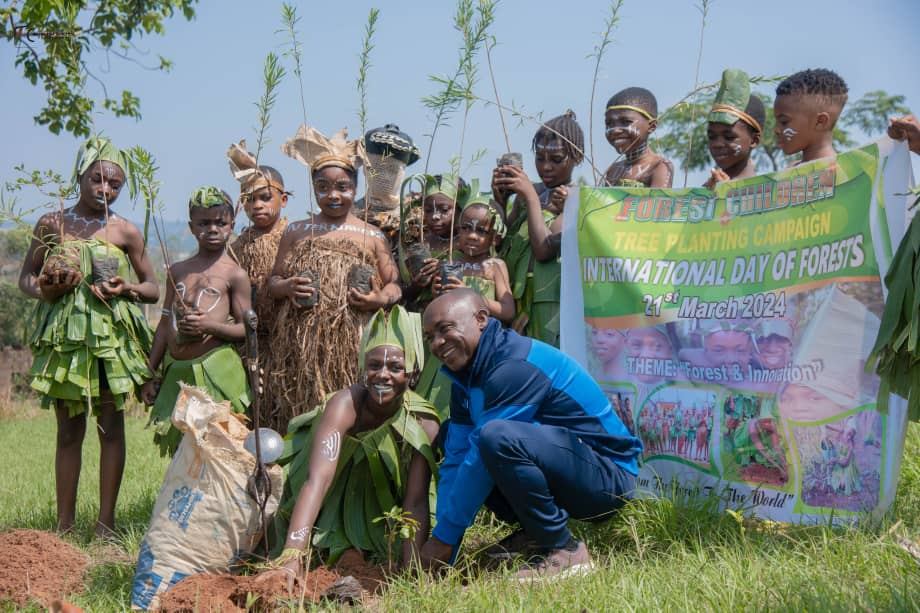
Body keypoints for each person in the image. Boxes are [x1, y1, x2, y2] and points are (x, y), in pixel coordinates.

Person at [417, 289, 642, 582]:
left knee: (495, 437)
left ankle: (566, 551)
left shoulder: (512, 366)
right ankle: (536, 536)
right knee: (454, 436)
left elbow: (480, 459)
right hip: (564, 468)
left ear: (481, 319)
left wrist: (442, 541)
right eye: (430, 336)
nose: (437, 343)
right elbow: (457, 459)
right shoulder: (465, 378)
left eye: (445, 329)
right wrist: (449, 548)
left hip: (607, 481)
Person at [19, 136, 159, 536]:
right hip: (67, 342)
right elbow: (25, 278)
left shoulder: (126, 232)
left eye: (115, 184)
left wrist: (125, 288)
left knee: (111, 428)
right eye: (97, 179)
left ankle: (106, 525)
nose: (105, 190)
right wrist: (46, 289)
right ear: (79, 177)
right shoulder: (52, 224)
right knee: (68, 431)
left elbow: (152, 287)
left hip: (110, 342)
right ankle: (64, 527)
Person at [265, 306, 439, 582]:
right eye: (374, 366)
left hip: (380, 514)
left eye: (395, 367)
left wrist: (411, 570)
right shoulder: (345, 405)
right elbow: (317, 481)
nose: (383, 375)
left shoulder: (422, 422)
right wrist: (292, 553)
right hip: (328, 501)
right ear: (362, 368)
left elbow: (415, 500)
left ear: (412, 374)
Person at [267, 125, 402, 423]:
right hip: (302, 344)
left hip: (354, 341)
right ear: (313, 188)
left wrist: (379, 299)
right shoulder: (297, 231)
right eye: (323, 187)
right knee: (305, 410)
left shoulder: (372, 235)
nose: (333, 195)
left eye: (343, 187)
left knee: (350, 409)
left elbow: (395, 285)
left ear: (356, 188)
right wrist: (289, 286)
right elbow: (272, 283)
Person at [142, 187, 252, 456]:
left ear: (232, 225)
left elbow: (247, 329)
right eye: (204, 223)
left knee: (218, 446)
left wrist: (209, 327)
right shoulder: (178, 271)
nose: (212, 229)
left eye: (220, 222)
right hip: (178, 373)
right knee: (183, 448)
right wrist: (149, 373)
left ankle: (219, 499)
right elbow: (164, 325)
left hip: (215, 371)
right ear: (191, 227)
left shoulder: (235, 275)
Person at [492, 111, 585, 347]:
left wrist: (530, 198)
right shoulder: (530, 191)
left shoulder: (576, 198)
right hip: (514, 296)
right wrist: (501, 201)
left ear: (577, 158)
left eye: (556, 159)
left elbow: (544, 250)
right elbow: (503, 244)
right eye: (540, 158)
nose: (546, 167)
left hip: (548, 301)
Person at [227, 142, 290, 428]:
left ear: (284, 199)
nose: (257, 205)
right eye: (249, 200)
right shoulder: (237, 247)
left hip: (287, 343)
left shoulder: (295, 237)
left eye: (265, 197)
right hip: (250, 345)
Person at [401, 173, 465, 311]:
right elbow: (404, 293)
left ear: (460, 209)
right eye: (428, 210)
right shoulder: (420, 242)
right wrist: (417, 283)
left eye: (444, 210)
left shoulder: (470, 244)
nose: (435, 217)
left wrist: (443, 268)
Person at [704, 68, 766, 189]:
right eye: (712, 137)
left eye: (729, 137)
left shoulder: (765, 193)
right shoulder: (702, 192)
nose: (717, 144)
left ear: (754, 140)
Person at [773, 68, 849, 164]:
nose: (776, 130)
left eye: (784, 122)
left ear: (820, 122)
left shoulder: (844, 174)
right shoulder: (789, 172)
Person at [602, 87, 674, 188]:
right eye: (609, 123)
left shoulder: (659, 166)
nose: (615, 130)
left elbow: (658, 202)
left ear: (652, 126)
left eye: (626, 122)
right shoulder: (613, 169)